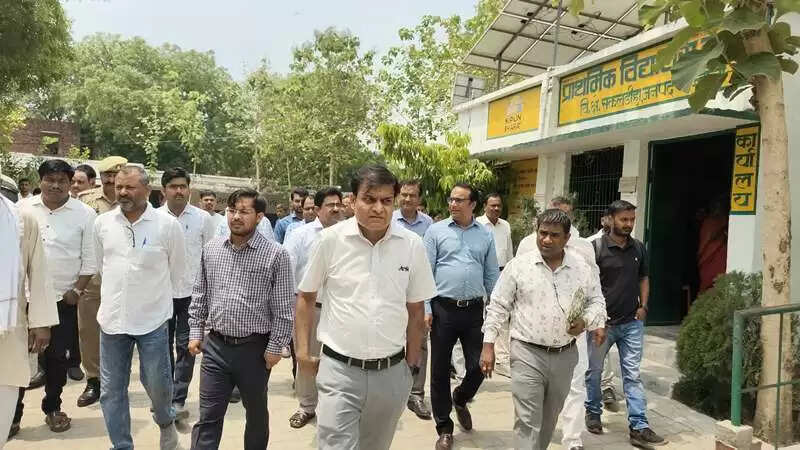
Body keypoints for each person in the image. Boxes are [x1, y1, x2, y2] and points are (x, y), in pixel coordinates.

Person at [296, 165, 436, 449]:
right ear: (353, 200)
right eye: (369, 199)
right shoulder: (330, 241)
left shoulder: (412, 245)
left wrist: (410, 366)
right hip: (339, 371)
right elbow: (306, 296)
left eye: (386, 200)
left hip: (391, 373)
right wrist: (301, 353)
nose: (378, 208)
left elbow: (416, 309)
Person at [481, 209, 606, 449]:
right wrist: (488, 345)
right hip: (526, 353)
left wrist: (586, 321)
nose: (546, 240)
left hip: (565, 355)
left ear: (567, 238)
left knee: (549, 418)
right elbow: (498, 306)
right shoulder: (519, 266)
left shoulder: (582, 268)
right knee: (528, 420)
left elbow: (597, 302)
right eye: (542, 233)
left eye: (554, 235)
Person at [188, 188, 294, 450]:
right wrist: (195, 332)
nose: (236, 216)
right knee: (208, 416)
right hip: (216, 348)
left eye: (244, 211)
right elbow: (200, 293)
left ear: (259, 217)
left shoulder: (276, 255)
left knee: (256, 415)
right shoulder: (212, 249)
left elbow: (283, 309)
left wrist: (275, 347)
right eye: (232, 210)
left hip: (255, 351)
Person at [93, 165, 186, 450]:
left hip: (152, 320)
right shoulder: (103, 224)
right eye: (119, 187)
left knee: (157, 383)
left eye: (130, 187)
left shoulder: (167, 226)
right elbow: (102, 266)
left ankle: (166, 422)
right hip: (112, 321)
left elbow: (177, 273)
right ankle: (121, 445)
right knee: (111, 390)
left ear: (147, 189)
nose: (123, 192)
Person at [15, 160, 97, 433]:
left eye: (62, 180)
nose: (55, 185)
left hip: (62, 300)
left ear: (70, 183)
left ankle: (52, 406)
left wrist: (77, 291)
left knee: (57, 359)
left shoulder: (85, 214)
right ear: (40, 181)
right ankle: (13, 414)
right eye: (50, 179)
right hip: (23, 299)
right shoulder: (22, 209)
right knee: (17, 358)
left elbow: (90, 259)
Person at [424, 183, 500, 450]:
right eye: (451, 199)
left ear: (473, 205)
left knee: (479, 365)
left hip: (474, 310)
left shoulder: (485, 234)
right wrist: (426, 308)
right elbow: (425, 272)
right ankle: (444, 427)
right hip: (443, 308)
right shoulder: (436, 231)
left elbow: (491, 273)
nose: (453, 204)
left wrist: (497, 309)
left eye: (459, 200)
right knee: (439, 369)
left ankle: (461, 397)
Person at [585, 200, 666, 447]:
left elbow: (644, 277)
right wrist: (594, 319)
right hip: (602, 325)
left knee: (632, 375)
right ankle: (593, 412)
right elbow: (586, 287)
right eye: (624, 219)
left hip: (632, 323)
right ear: (610, 219)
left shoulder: (638, 248)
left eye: (631, 220)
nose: (628, 224)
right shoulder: (595, 248)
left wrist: (644, 306)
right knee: (594, 372)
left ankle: (639, 426)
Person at [0, 182, 57, 446]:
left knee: (4, 397)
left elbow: (39, 271)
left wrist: (41, 322)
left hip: (8, 326)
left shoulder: (20, 219)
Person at [284, 187, 344, 429]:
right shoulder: (301, 235)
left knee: (340, 361)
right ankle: (307, 406)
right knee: (307, 358)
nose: (336, 209)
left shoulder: (349, 235)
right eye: (330, 205)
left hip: (342, 310)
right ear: (318, 209)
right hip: (311, 308)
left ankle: (336, 407)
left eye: (339, 204)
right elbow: (287, 271)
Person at [159, 167, 216, 421]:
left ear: (189, 189)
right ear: (164, 191)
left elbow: (212, 256)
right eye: (173, 186)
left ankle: (178, 398)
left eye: (183, 186)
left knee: (186, 346)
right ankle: (163, 396)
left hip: (193, 294)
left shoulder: (203, 219)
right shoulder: (155, 218)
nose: (179, 191)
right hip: (161, 294)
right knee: (161, 347)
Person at [75, 155, 126, 408]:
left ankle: (116, 381)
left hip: (123, 281)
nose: (112, 179)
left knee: (121, 332)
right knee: (89, 332)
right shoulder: (85, 201)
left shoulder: (133, 201)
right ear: (102, 177)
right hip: (93, 280)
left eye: (117, 175)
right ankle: (94, 380)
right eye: (107, 175)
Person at [391, 179, 434, 420]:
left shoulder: (429, 225)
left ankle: (416, 394)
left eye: (412, 195)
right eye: (404, 195)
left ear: (419, 198)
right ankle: (393, 390)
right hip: (392, 294)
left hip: (417, 294)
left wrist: (427, 305)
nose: (407, 199)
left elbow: (428, 266)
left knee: (420, 343)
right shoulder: (389, 220)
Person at [475, 193, 514, 378]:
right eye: (493, 205)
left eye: (499, 205)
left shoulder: (505, 225)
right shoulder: (478, 225)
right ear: (485, 206)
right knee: (481, 315)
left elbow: (509, 252)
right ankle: (480, 355)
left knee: (503, 315)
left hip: (502, 273)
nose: (496, 208)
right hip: (482, 273)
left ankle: (502, 360)